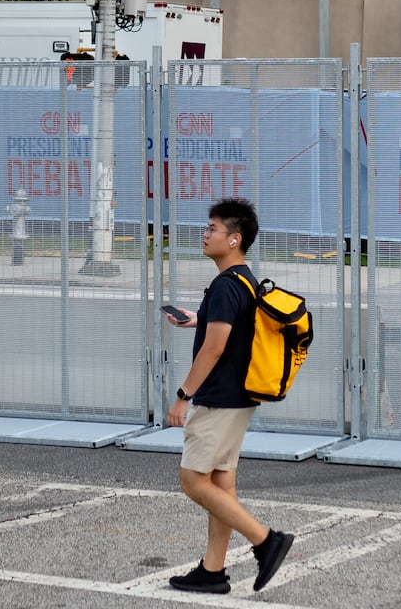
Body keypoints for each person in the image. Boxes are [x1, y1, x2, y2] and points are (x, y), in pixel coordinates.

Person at [163, 197, 293, 594]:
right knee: (220, 484)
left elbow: (215, 348)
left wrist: (184, 394)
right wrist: (198, 320)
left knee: (191, 480)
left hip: (218, 399)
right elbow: (233, 328)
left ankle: (266, 540)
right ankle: (213, 570)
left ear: (234, 239)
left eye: (212, 230)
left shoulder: (223, 286)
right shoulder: (245, 281)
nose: (205, 235)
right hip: (240, 398)